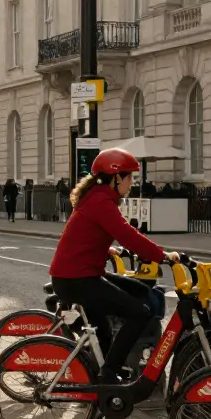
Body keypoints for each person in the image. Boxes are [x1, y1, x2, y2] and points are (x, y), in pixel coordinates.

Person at [49, 148, 180, 384]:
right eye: (129, 177)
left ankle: (99, 373)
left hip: (80, 274)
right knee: (140, 313)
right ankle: (109, 373)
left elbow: (86, 233)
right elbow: (126, 234)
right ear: (115, 177)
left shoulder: (98, 197)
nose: (132, 182)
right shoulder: (101, 200)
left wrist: (105, 248)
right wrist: (162, 256)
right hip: (77, 279)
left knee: (139, 291)